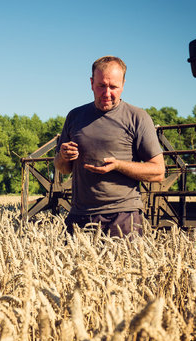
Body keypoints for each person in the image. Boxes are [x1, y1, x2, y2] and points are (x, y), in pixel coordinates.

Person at [54, 56, 165, 237]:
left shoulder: (137, 117)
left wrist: (119, 165)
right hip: (80, 216)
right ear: (91, 83)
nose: (107, 93)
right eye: (101, 86)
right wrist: (62, 157)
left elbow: (159, 172)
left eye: (113, 87)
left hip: (123, 217)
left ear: (123, 84)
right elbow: (63, 169)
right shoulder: (75, 116)